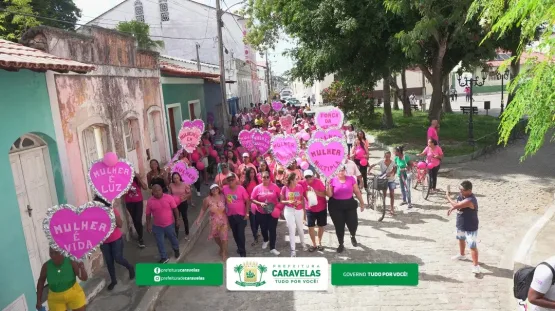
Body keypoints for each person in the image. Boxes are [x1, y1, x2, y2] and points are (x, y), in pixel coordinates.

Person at [326, 165, 365, 253]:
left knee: (353, 223)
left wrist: (362, 203)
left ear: (345, 171)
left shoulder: (351, 179)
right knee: (339, 226)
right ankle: (341, 243)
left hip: (349, 204)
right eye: (339, 170)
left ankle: (353, 235)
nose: (341, 172)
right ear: (336, 171)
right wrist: (327, 185)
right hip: (336, 206)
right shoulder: (332, 180)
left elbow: (357, 191)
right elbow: (329, 195)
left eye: (343, 170)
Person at [447, 180, 480, 274]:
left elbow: (457, 205)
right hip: (461, 223)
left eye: (462, 190)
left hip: (471, 226)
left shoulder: (471, 200)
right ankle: (462, 254)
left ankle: (476, 266)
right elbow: (459, 206)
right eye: (459, 189)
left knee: (472, 246)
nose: (460, 191)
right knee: (461, 239)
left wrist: (448, 196)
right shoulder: (461, 196)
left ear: (469, 190)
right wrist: (454, 208)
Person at [146, 184, 180, 263]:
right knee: (159, 242)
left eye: (159, 190)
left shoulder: (169, 198)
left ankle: (176, 249)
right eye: (155, 191)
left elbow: (175, 209)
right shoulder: (150, 201)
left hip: (169, 225)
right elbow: (148, 214)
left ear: (162, 190)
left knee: (173, 238)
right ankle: (164, 257)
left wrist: (177, 220)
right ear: (152, 192)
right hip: (157, 226)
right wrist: (148, 225)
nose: (157, 193)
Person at [195, 184, 229, 261]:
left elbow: (230, 204)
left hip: (224, 220)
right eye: (212, 189)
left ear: (218, 189)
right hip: (214, 222)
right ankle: (221, 247)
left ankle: (224, 253)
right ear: (210, 191)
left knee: (224, 238)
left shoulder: (223, 197)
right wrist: (198, 219)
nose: (215, 190)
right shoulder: (207, 199)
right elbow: (203, 209)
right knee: (216, 237)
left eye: (216, 188)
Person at [250, 171, 281, 255]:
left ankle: (272, 247)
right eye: (264, 177)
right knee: (263, 228)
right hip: (261, 212)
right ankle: (266, 240)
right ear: (261, 178)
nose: (266, 179)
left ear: (270, 178)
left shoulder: (275, 187)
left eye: (267, 177)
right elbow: (252, 199)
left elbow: (280, 196)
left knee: (272, 229)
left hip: (272, 211)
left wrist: (279, 206)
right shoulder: (257, 188)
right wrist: (260, 203)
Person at [222, 173, 250, 257]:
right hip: (231, 215)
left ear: (235, 180)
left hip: (241, 215)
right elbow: (216, 192)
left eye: (232, 179)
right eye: (229, 180)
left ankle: (243, 253)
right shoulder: (224, 189)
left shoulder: (241, 188)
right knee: (235, 234)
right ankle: (239, 247)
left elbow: (247, 201)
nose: (231, 181)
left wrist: (247, 213)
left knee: (240, 234)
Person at [280, 172, 307, 257]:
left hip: (298, 210)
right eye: (296, 179)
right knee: (292, 229)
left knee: (300, 228)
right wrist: (288, 201)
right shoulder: (285, 188)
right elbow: (281, 201)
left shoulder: (300, 187)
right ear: (291, 180)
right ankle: (293, 250)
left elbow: (302, 200)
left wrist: (301, 206)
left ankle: (303, 243)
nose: (298, 180)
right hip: (289, 210)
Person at [300, 170, 327, 252]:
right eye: (306, 177)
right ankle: (314, 244)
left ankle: (319, 242)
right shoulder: (302, 183)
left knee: (320, 226)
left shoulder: (318, 182)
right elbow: (296, 192)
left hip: (321, 207)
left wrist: (315, 192)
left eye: (310, 176)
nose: (308, 179)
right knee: (310, 227)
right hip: (310, 209)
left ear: (313, 176)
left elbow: (324, 194)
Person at [369, 151, 397, 215]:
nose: (387, 158)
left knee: (392, 194)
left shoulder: (392, 162)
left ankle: (392, 208)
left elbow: (395, 168)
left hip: (391, 180)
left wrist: (391, 172)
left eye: (389, 157)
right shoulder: (381, 161)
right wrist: (369, 170)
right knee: (384, 193)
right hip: (384, 179)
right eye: (386, 156)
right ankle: (383, 205)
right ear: (384, 156)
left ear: (390, 156)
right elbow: (373, 164)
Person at [124, 173, 148, 248]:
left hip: (138, 202)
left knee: (138, 219)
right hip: (129, 202)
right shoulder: (123, 181)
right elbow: (122, 193)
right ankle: (139, 235)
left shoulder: (136, 180)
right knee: (135, 220)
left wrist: (139, 178)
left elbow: (145, 187)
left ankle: (140, 238)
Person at [169, 172, 192, 239]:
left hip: (183, 203)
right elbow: (170, 194)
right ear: (172, 179)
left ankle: (187, 233)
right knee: (176, 218)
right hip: (174, 204)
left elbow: (189, 193)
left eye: (177, 178)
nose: (176, 179)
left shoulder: (184, 184)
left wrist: (185, 197)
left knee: (184, 218)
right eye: (174, 178)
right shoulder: (171, 185)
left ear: (179, 177)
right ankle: (176, 234)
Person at [243, 168, 260, 246]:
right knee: (252, 222)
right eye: (250, 173)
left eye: (253, 172)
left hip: (258, 204)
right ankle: (255, 237)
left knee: (258, 221)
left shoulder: (257, 181)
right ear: (247, 174)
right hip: (250, 204)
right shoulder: (245, 183)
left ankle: (256, 232)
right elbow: (244, 195)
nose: (252, 174)